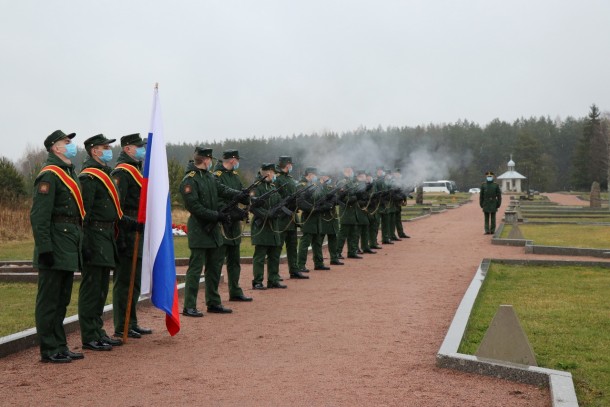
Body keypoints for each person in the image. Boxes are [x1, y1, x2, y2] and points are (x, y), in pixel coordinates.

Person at [31, 130, 85, 363]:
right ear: (55, 147)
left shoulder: (68, 173)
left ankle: (60, 344)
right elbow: (39, 216)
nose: (71, 145)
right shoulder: (50, 175)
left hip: (68, 243)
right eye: (66, 142)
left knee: (62, 300)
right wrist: (45, 248)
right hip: (54, 244)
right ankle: (49, 348)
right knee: (49, 300)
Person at [180, 147, 249, 317]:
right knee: (195, 269)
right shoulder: (190, 180)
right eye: (210, 159)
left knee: (214, 267)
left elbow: (223, 190)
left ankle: (213, 302)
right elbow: (194, 207)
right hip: (199, 229)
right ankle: (189, 306)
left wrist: (241, 195)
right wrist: (216, 215)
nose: (211, 162)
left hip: (213, 232)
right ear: (206, 160)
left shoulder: (209, 177)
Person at [78, 134, 126, 351]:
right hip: (94, 236)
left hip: (105, 236)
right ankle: (89, 336)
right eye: (105, 147)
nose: (109, 150)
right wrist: (85, 243)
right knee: (91, 289)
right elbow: (83, 213)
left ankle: (98, 331)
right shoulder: (88, 177)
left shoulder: (104, 174)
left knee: (100, 289)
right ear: (94, 151)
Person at [111, 133, 152, 339]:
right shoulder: (122, 173)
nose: (142, 149)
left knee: (134, 282)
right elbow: (117, 208)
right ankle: (122, 324)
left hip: (137, 233)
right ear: (128, 149)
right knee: (124, 282)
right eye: (138, 146)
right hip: (127, 235)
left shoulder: (136, 170)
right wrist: (130, 226)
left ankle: (132, 321)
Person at [213, 149, 252, 302]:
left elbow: (240, 195)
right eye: (237, 160)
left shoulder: (234, 176)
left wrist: (246, 199)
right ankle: (213, 296)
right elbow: (217, 199)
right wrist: (232, 212)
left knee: (234, 261)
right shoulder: (217, 176)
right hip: (222, 225)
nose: (238, 163)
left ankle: (235, 291)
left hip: (234, 225)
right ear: (232, 160)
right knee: (217, 262)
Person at [250, 163, 286, 289]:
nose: (275, 175)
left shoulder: (272, 186)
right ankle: (258, 281)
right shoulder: (257, 187)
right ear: (269, 173)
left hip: (273, 227)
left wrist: (278, 211)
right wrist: (267, 215)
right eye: (274, 172)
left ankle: (273, 279)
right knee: (260, 256)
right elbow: (253, 207)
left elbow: (279, 202)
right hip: (262, 227)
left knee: (275, 254)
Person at [275, 156, 308, 279]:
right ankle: (275, 274)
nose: (291, 166)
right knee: (277, 248)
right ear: (285, 164)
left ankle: (294, 270)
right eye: (290, 164)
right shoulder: (277, 179)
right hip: (281, 218)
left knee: (292, 246)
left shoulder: (290, 179)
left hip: (291, 218)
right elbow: (275, 196)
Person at [296, 167, 329, 271]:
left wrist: (323, 206)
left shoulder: (315, 185)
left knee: (318, 241)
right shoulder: (302, 185)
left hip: (317, 217)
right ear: (310, 175)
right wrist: (312, 208)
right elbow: (300, 202)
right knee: (305, 242)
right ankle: (300, 265)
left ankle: (319, 263)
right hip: (308, 216)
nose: (316, 177)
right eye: (315, 175)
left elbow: (322, 197)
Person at [318, 172, 343, 266]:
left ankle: (334, 258)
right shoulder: (318, 187)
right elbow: (319, 199)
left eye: (329, 177)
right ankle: (318, 260)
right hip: (323, 217)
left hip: (332, 216)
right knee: (319, 240)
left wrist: (334, 200)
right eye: (326, 176)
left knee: (333, 238)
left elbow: (336, 199)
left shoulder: (331, 188)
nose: (328, 179)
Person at [391, 168, 410, 239]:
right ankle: (392, 235)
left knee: (398, 219)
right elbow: (393, 194)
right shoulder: (392, 181)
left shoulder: (401, 181)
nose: (398, 174)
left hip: (399, 203)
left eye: (399, 173)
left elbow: (403, 191)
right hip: (393, 203)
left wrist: (404, 200)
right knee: (392, 220)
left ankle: (401, 233)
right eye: (397, 173)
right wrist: (400, 198)